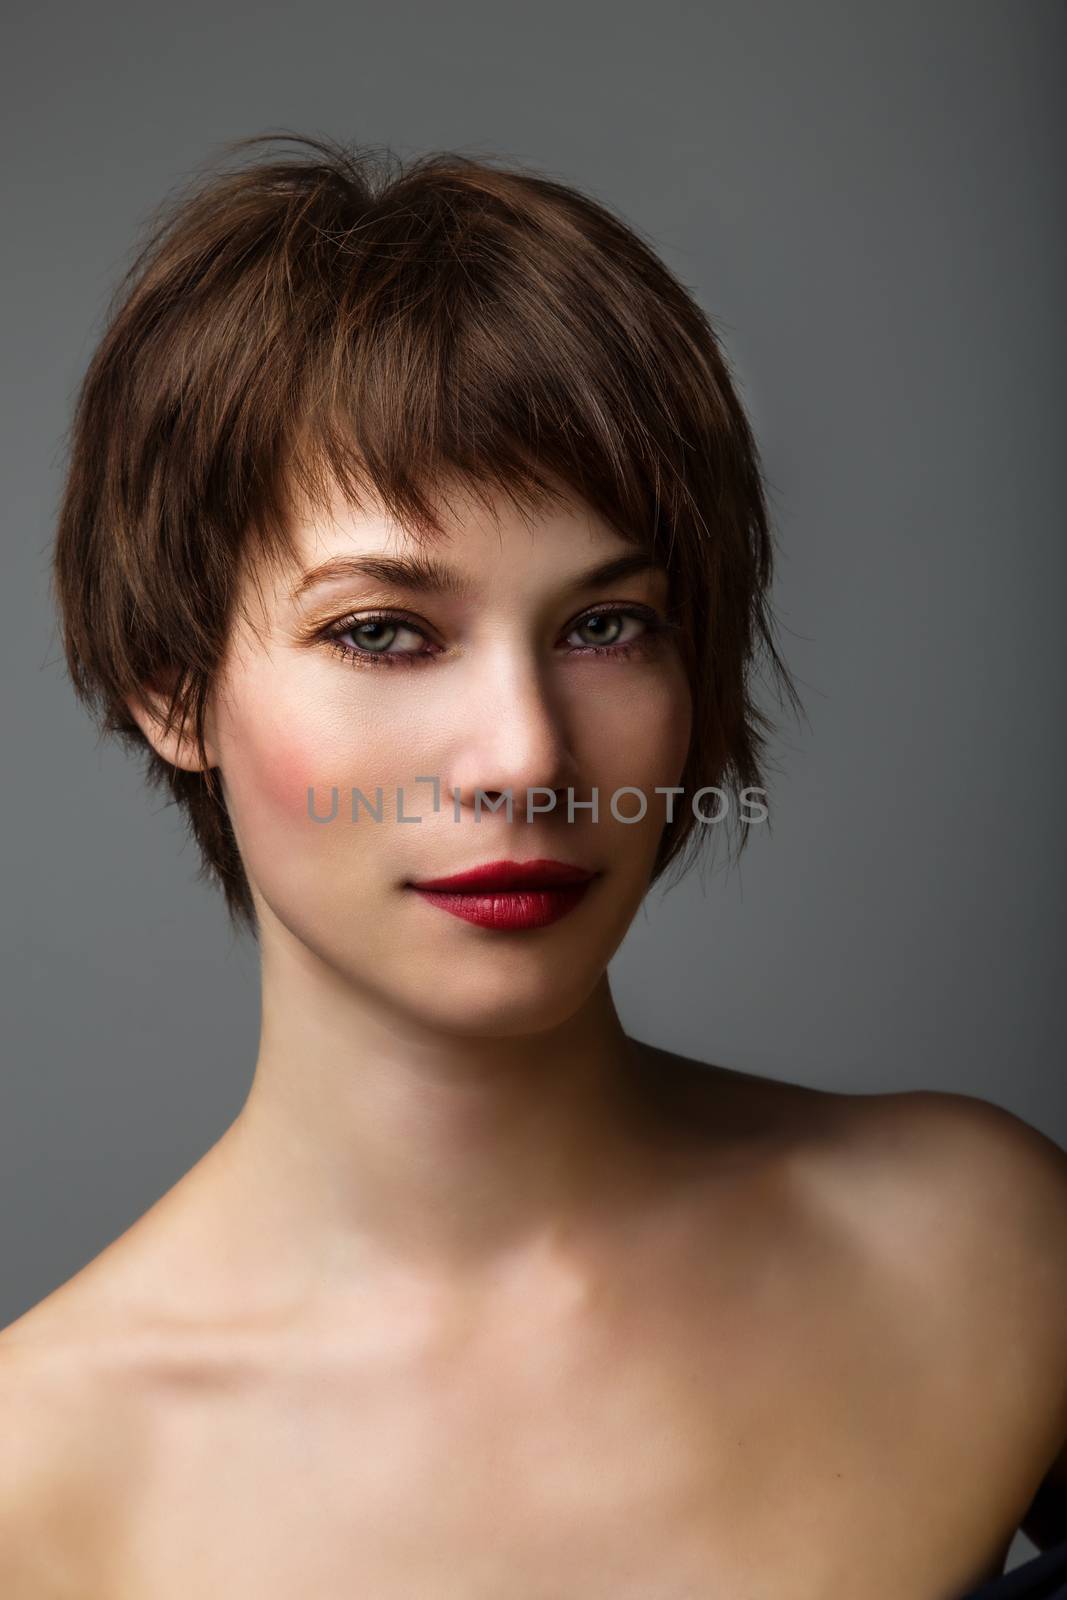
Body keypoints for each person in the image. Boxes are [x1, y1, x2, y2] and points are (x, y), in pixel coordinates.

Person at [1, 132, 1064, 1598]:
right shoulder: (36, 1485)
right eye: (384, 630)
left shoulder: (989, 1246)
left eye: (608, 623)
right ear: (170, 684)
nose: (526, 754)